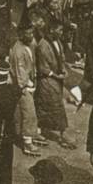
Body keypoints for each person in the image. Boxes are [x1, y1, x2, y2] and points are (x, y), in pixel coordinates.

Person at [35, 21, 75, 149]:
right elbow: (43, 67)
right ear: (52, 30)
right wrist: (56, 75)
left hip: (56, 79)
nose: (61, 33)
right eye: (59, 30)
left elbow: (61, 58)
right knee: (53, 105)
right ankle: (61, 133)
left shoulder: (58, 42)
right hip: (47, 80)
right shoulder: (43, 45)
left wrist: (63, 70)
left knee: (51, 105)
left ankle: (43, 129)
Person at [9, 25, 44, 156]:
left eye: (31, 33)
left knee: (20, 112)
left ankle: (24, 134)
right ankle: (28, 142)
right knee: (29, 113)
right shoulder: (18, 50)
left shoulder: (29, 44)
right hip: (22, 86)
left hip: (28, 83)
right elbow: (20, 71)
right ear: (20, 34)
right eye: (28, 33)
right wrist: (24, 86)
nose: (31, 36)